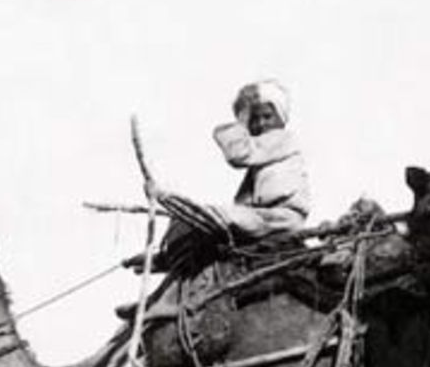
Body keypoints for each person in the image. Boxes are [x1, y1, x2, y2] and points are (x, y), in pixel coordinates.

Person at [124, 78, 313, 323]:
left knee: (204, 217)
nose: (260, 123)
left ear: (281, 118)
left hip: (281, 217)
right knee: (199, 226)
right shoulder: (263, 159)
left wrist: (242, 118)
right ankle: (163, 286)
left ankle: (166, 283)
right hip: (266, 216)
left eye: (267, 116)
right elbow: (243, 200)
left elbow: (238, 153)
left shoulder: (282, 139)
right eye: (254, 119)